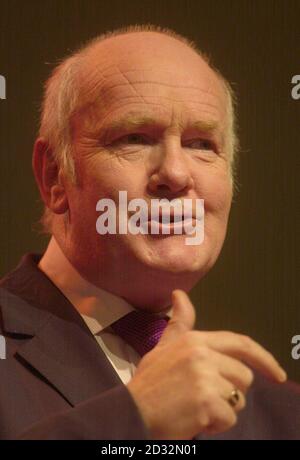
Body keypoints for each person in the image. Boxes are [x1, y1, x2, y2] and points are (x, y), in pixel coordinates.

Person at [0, 24, 299, 440]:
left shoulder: (282, 415)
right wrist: (132, 420)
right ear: (55, 176)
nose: (175, 174)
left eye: (201, 144)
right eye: (134, 138)